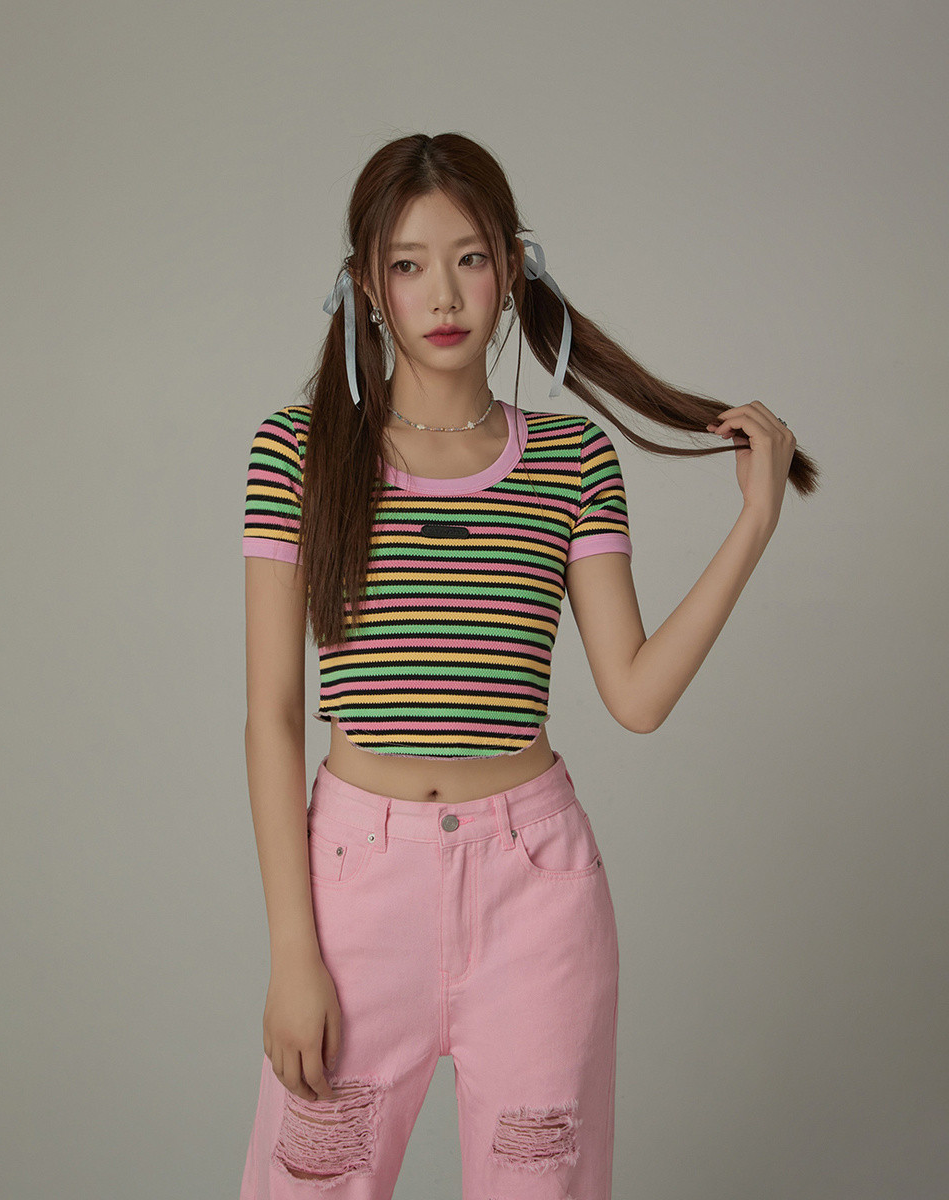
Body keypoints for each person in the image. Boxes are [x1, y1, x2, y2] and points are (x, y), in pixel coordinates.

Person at [237, 132, 817, 1200]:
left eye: (470, 257)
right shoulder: (300, 452)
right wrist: (291, 952)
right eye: (408, 263)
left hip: (535, 894)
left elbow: (635, 694)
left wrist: (754, 523)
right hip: (356, 891)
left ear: (512, 267)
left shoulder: (571, 460)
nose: (442, 293)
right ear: (366, 284)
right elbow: (273, 716)